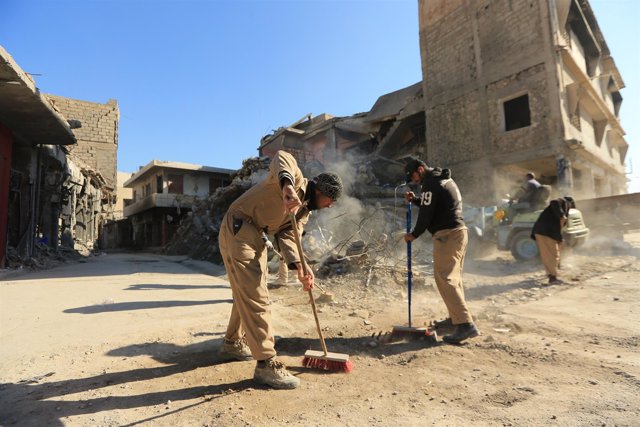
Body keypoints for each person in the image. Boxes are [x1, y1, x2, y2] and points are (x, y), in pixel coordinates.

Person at [217, 150, 343, 389]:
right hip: (239, 227)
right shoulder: (294, 179)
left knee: (248, 292)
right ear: (321, 192)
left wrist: (301, 267)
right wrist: (287, 186)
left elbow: (288, 238)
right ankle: (266, 364)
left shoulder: (303, 212)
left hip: (255, 234)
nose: (330, 206)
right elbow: (281, 157)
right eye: (331, 201)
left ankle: (232, 343)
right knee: (256, 296)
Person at [403, 157, 480, 344]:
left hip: (447, 234)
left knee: (445, 278)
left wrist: (414, 234)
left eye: (413, 176)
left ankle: (465, 325)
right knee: (453, 278)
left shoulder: (430, 183)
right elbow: (434, 205)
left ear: (420, 169)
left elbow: (427, 215)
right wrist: (417, 201)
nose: (414, 181)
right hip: (459, 232)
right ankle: (457, 318)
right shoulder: (441, 179)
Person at [531, 196, 574, 285]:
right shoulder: (559, 203)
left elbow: (559, 227)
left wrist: (560, 238)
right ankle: (552, 278)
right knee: (550, 255)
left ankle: (554, 271)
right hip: (544, 233)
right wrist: (562, 215)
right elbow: (554, 202)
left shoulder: (561, 210)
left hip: (550, 233)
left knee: (556, 252)